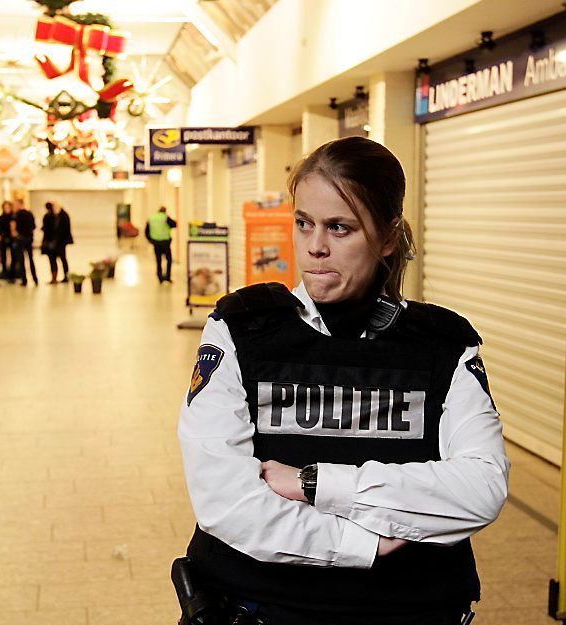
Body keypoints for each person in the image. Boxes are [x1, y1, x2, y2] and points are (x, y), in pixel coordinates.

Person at [178, 137, 509, 625]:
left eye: (340, 227)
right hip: (257, 607)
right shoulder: (241, 327)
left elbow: (481, 489)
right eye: (304, 223)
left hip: (410, 608)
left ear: (389, 236)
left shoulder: (443, 343)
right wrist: (364, 543)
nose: (315, 246)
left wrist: (317, 483)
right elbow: (226, 503)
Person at [145, 206, 176, 283]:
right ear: (164, 211)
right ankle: (168, 276)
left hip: (156, 243)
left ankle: (160, 276)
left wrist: (150, 240)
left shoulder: (152, 218)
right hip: (165, 242)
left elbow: (146, 231)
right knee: (169, 259)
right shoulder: (165, 217)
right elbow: (174, 224)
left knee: (158, 260)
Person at [12, 198, 38, 287]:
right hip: (29, 239)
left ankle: (24, 280)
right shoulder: (29, 214)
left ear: (20, 204)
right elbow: (34, 226)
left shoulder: (16, 215)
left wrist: (17, 234)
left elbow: (13, 228)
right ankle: (35, 279)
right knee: (31, 259)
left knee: (22, 260)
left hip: (21, 239)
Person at [54, 201, 73, 281]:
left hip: (62, 241)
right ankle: (64, 275)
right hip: (60, 241)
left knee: (63, 258)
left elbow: (64, 229)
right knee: (62, 258)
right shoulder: (58, 215)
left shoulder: (63, 215)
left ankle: (66, 275)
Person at [0, 200, 15, 280]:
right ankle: (4, 273)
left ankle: (12, 273)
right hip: (4, 240)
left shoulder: (13, 216)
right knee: (3, 257)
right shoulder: (1, 218)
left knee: (13, 256)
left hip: (12, 240)